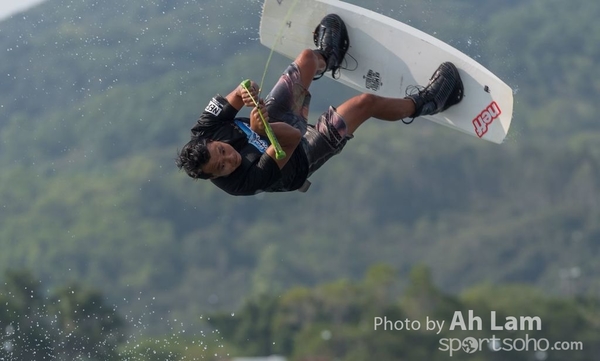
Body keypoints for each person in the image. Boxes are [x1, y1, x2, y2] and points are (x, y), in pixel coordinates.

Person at [176, 14, 463, 196]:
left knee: (307, 60)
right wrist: (261, 130)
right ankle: (427, 103)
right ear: (213, 177)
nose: (230, 159)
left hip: (268, 123)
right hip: (300, 157)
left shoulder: (205, 128)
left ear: (213, 140)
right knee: (364, 104)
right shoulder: (242, 183)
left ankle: (330, 56)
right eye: (222, 167)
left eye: (222, 152)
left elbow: (241, 92)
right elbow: (292, 138)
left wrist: (247, 93)